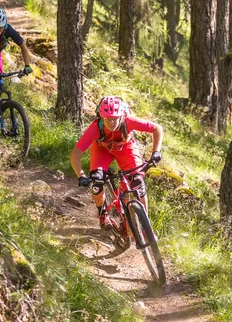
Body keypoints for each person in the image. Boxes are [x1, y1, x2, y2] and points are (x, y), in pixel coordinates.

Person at [70, 95, 164, 229]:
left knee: (138, 182)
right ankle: (103, 213)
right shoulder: (96, 128)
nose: (111, 123)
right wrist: (81, 176)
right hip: (102, 150)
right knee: (96, 184)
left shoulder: (128, 121)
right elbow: (75, 155)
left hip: (125, 148)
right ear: (102, 117)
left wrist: (156, 152)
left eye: (115, 119)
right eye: (108, 119)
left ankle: (145, 226)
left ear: (122, 116)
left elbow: (157, 128)